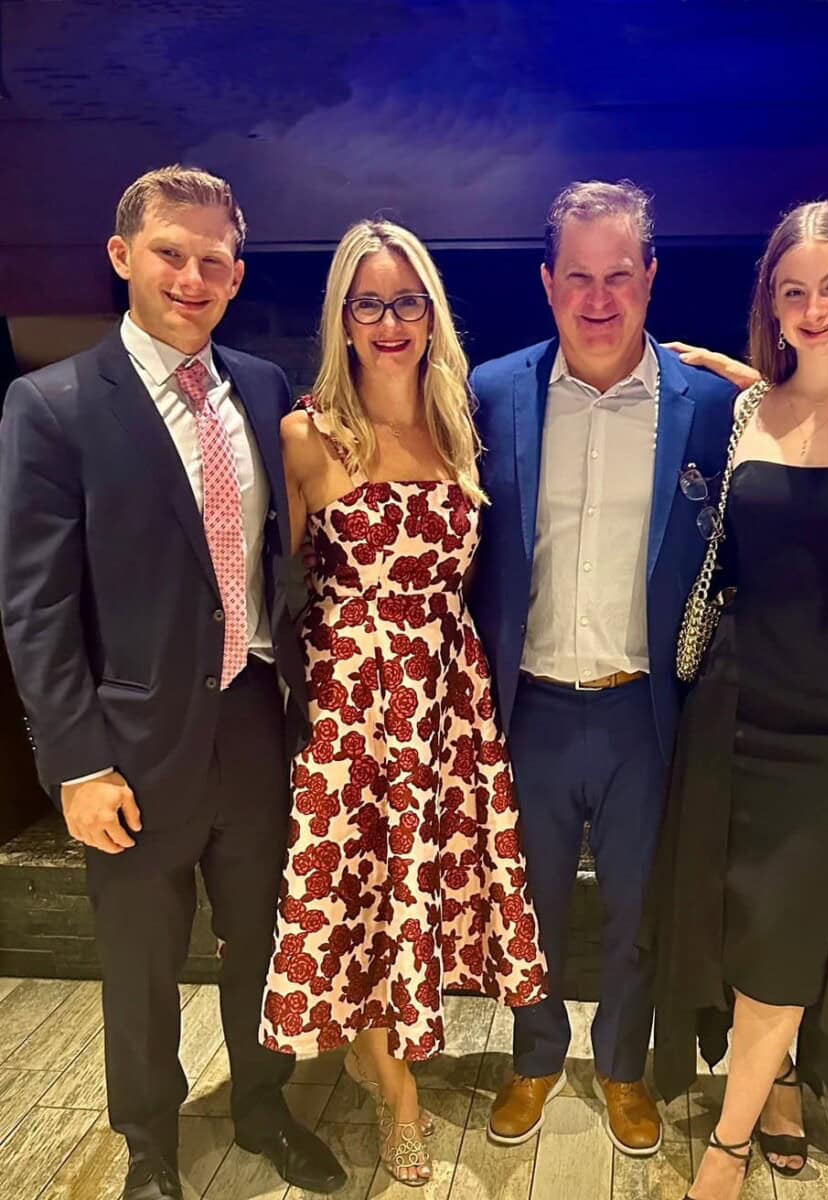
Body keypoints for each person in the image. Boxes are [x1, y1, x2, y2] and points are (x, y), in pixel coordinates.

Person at [467, 180, 828, 1157]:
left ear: (650, 276)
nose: (598, 296)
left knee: (639, 910)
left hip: (650, 706)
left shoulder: (713, 405)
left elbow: (796, 466)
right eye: (577, 275)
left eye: (619, 274)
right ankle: (536, 1056)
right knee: (526, 904)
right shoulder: (489, 393)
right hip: (527, 706)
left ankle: (624, 1066)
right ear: (547, 282)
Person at [0, 166, 345, 1200]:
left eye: (213, 259)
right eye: (170, 254)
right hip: (132, 746)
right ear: (123, 259)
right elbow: (36, 605)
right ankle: (149, 1143)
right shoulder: (51, 406)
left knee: (261, 943)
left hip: (256, 725)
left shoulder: (268, 386)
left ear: (236, 272)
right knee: (142, 967)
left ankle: (263, 1104)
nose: (192, 277)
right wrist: (76, 764)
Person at [258, 219, 547, 1187]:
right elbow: (273, 589)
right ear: (342, 317)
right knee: (368, 906)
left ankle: (389, 1059)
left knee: (415, 903)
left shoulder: (463, 416)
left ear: (431, 313)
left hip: (445, 700)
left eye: (406, 301)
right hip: (352, 711)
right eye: (368, 303)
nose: (390, 322)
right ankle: (402, 1100)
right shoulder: (305, 437)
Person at [649, 200, 828, 1200]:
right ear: (772, 301)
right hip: (729, 697)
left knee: (791, 917)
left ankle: (722, 1155)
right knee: (734, 910)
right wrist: (735, 373)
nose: (814, 308)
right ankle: (773, 1093)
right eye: (793, 291)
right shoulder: (744, 412)